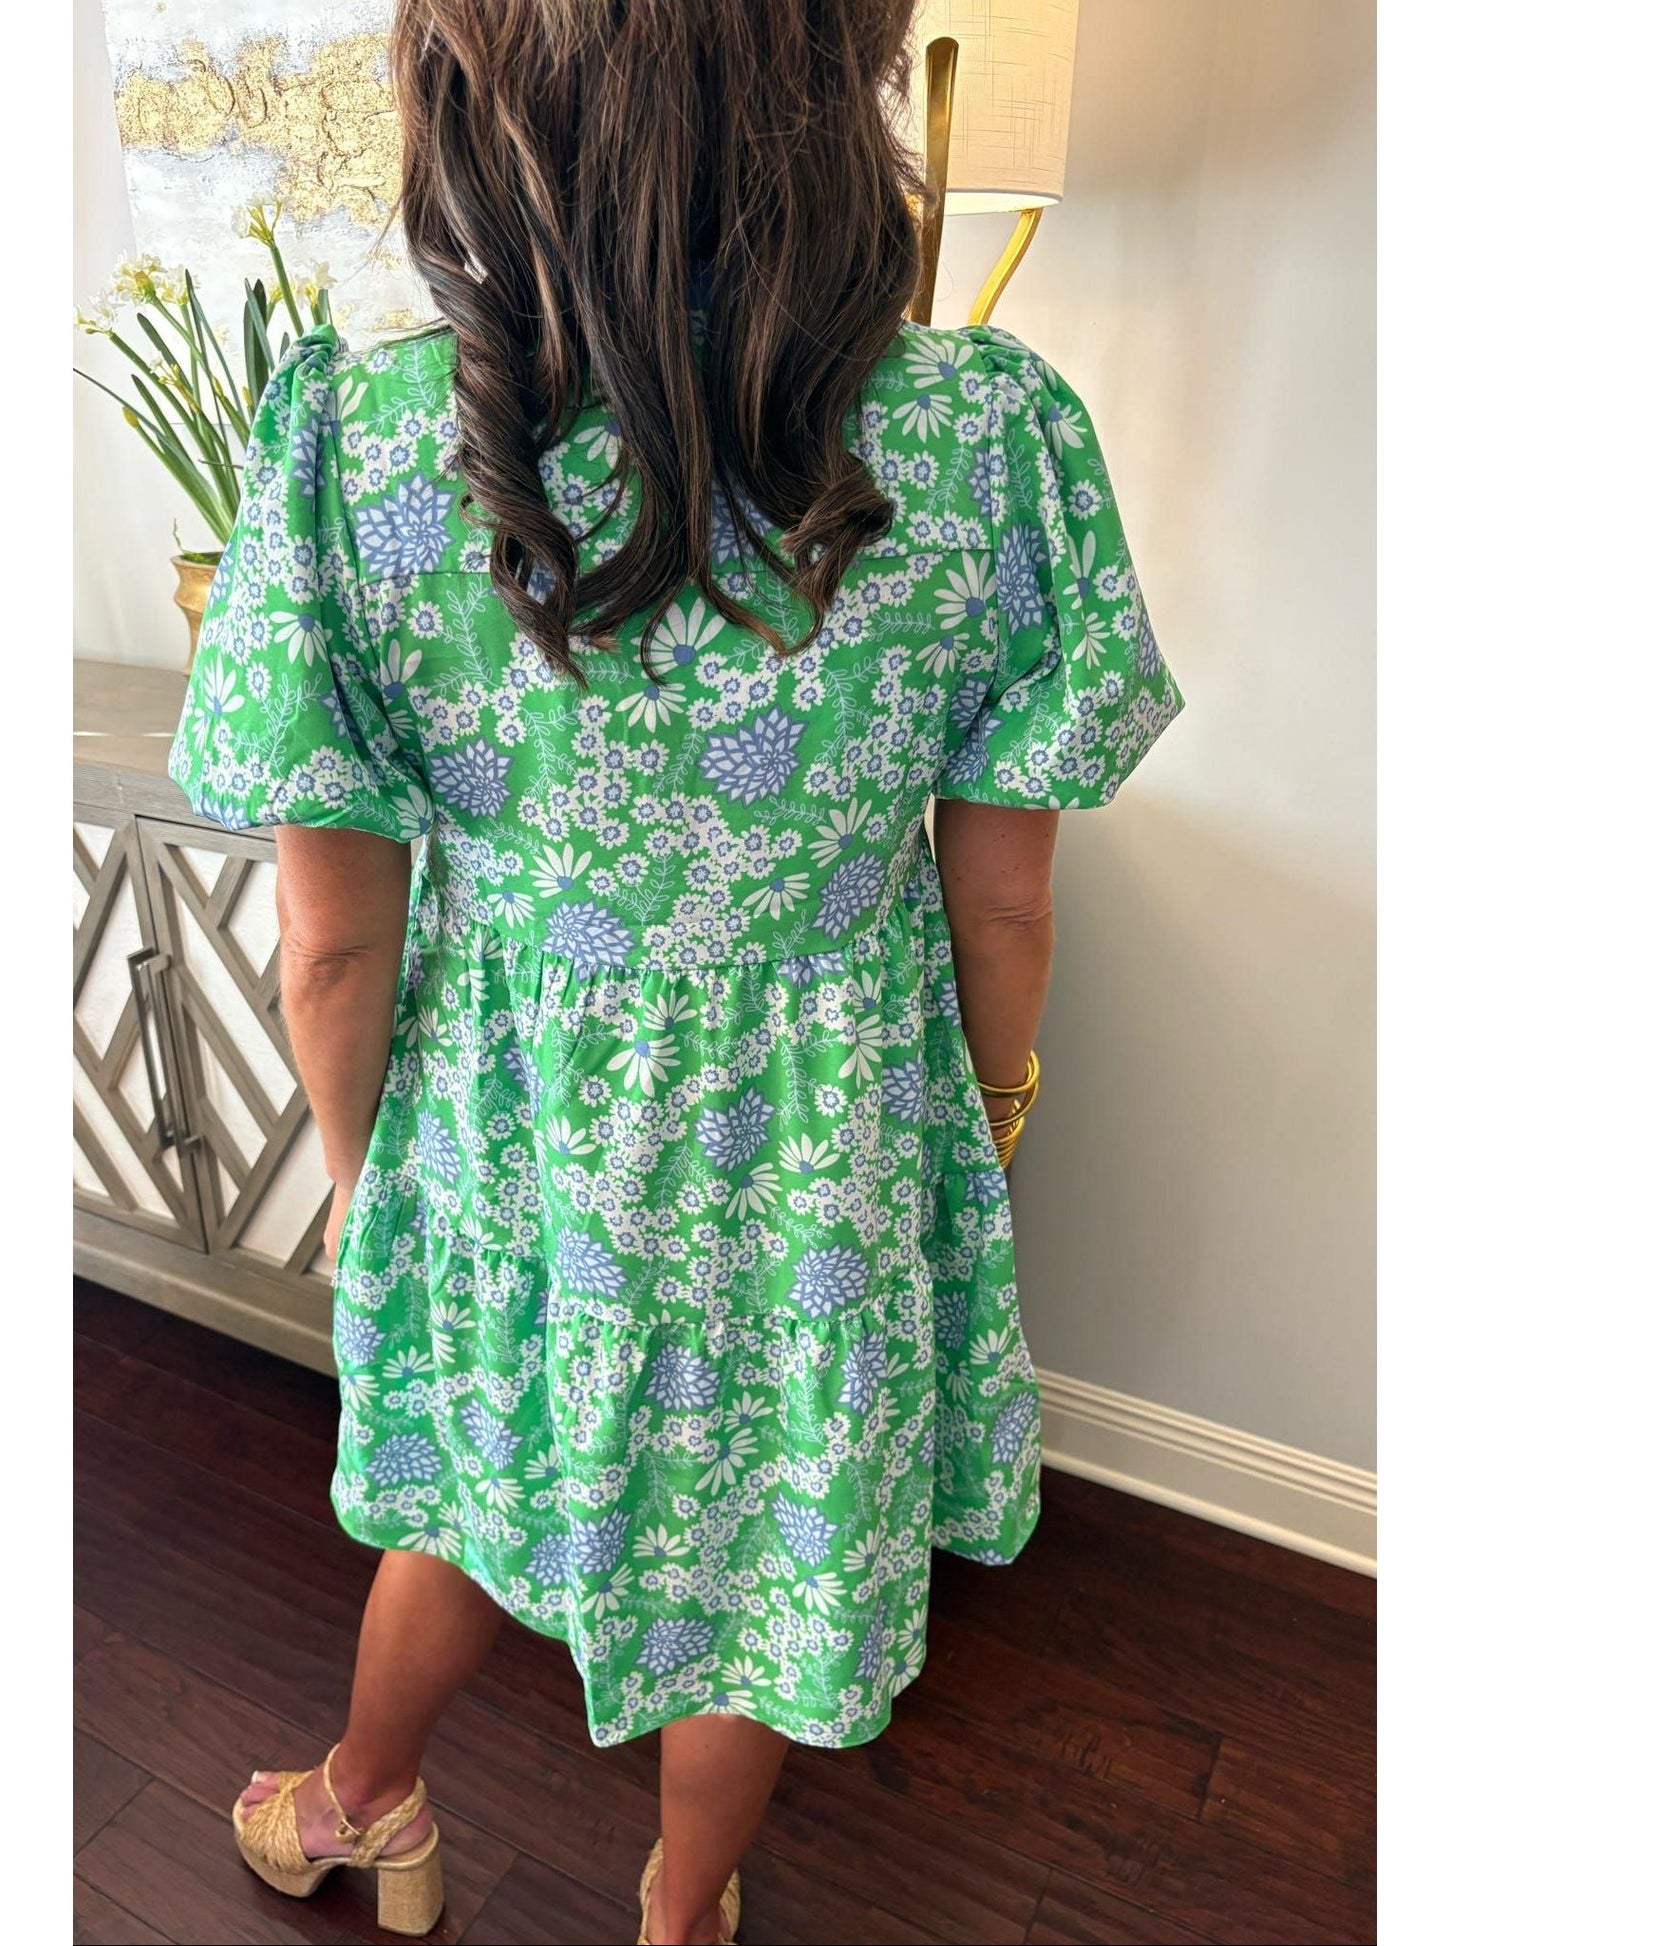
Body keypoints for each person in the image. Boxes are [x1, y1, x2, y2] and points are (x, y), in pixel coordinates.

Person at [168, 3, 1182, 1938]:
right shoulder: (986, 434)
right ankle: (684, 1902)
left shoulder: (359, 448)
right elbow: (1006, 912)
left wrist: (388, 1184)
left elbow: (328, 940)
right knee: (769, 1558)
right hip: (828, 1150)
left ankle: (364, 1802)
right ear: (836, 74)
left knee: (468, 1492)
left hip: (511, 1132)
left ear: (476, 96)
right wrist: (985, 1113)